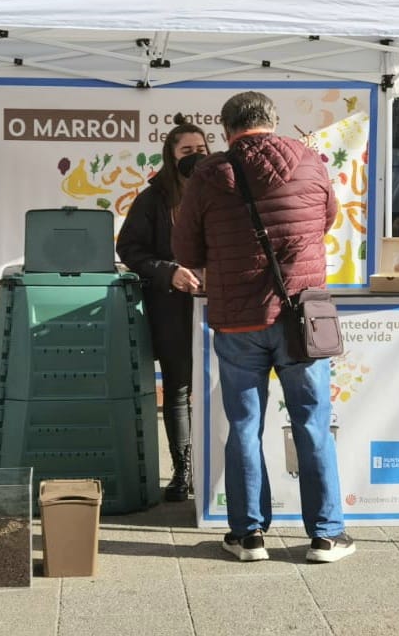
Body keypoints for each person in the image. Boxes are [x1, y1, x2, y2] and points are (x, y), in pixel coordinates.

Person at [173, 91, 355, 564]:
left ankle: (248, 536)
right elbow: (328, 218)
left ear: (227, 129)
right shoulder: (311, 161)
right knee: (313, 424)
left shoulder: (208, 174)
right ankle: (327, 537)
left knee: (245, 426)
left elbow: (186, 250)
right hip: (300, 315)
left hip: (239, 320)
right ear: (272, 122)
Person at [116, 119, 210, 502]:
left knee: (221, 387)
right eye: (186, 151)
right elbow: (131, 250)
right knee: (178, 388)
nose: (195, 158)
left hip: (219, 306)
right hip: (171, 308)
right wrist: (168, 272)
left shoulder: (224, 190)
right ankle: (182, 469)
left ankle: (215, 466)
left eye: (201, 150)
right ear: (171, 156)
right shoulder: (153, 198)